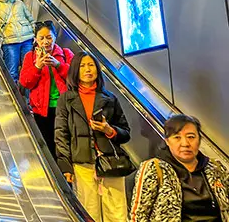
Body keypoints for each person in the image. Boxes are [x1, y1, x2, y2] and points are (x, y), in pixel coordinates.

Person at [55, 52, 131, 222]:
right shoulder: (66, 99)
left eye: (91, 65)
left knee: (117, 213)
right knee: (89, 213)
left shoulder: (110, 99)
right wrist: (65, 165)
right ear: (75, 71)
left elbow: (126, 132)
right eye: (82, 66)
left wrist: (109, 130)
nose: (87, 69)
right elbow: (61, 134)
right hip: (82, 165)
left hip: (111, 163)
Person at [129, 115, 229, 221]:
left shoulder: (215, 167)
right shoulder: (154, 168)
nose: (185, 143)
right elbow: (138, 216)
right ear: (167, 141)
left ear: (199, 140)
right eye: (177, 137)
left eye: (191, 137)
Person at [19, 21, 74, 158]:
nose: (45, 42)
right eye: (41, 38)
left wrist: (58, 65)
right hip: (42, 112)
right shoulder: (30, 57)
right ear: (35, 39)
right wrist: (37, 66)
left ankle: (67, 175)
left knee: (67, 146)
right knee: (49, 147)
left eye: (49, 37)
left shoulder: (66, 54)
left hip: (65, 109)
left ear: (55, 37)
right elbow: (25, 82)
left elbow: (76, 77)